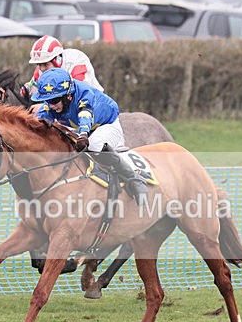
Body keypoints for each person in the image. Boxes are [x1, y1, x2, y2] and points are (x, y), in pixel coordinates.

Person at [31, 67, 147, 205]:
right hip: (82, 128)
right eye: (48, 101)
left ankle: (133, 179)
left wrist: (83, 135)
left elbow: (85, 116)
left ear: (68, 96)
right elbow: (39, 120)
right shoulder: (54, 103)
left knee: (93, 143)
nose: (51, 105)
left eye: (54, 101)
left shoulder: (85, 94)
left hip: (107, 125)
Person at [21, 35, 103, 102]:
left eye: (45, 64)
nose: (42, 69)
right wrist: (26, 91)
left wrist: (44, 107)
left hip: (93, 104)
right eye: (38, 64)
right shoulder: (41, 70)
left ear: (57, 60)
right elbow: (33, 89)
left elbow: (80, 93)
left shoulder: (77, 61)